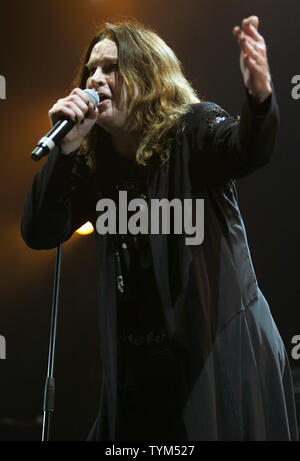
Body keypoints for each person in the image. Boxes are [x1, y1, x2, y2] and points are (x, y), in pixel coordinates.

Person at [21, 16, 298, 441]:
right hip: (142, 370)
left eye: (111, 67)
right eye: (91, 69)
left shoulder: (194, 130)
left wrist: (259, 99)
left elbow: (248, 149)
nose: (95, 79)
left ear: (147, 75)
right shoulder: (96, 165)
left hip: (220, 354)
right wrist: (67, 150)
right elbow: (39, 232)